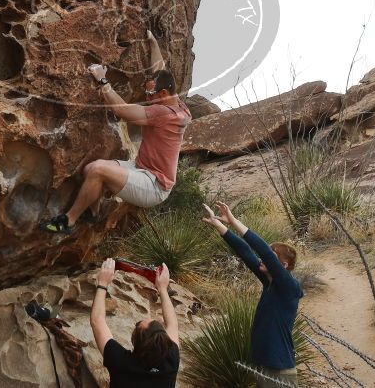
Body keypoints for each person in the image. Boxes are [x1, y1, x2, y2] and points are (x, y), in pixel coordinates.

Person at [41, 30, 192, 234]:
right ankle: (93, 213)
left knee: (97, 170)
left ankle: (68, 221)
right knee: (90, 169)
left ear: (163, 93)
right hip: (141, 168)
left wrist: (103, 81)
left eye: (150, 93)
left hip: (154, 185)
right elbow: (160, 69)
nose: (147, 96)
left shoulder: (163, 113)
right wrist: (153, 43)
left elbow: (121, 110)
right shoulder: (178, 104)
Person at [202, 201, 303, 388]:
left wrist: (234, 220)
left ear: (283, 266)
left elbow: (263, 250)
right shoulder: (269, 283)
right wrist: (220, 226)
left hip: (279, 371)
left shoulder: (289, 287)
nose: (264, 259)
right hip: (264, 366)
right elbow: (246, 252)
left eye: (272, 257)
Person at [90, 258, 180, 387]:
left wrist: (102, 282)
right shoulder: (171, 362)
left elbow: (96, 320)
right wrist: (163, 288)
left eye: (137, 325)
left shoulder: (121, 362)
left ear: (135, 341)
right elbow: (173, 324)